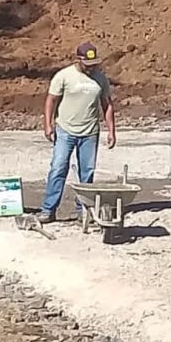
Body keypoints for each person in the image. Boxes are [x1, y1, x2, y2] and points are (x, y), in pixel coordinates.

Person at [37, 42, 116, 224]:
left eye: (93, 64)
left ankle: (84, 210)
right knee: (58, 168)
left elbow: (107, 104)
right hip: (65, 130)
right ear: (77, 60)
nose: (91, 68)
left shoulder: (100, 79)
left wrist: (111, 131)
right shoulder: (64, 76)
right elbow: (51, 100)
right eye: (87, 64)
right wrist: (48, 125)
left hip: (90, 133)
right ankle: (48, 209)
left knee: (87, 172)